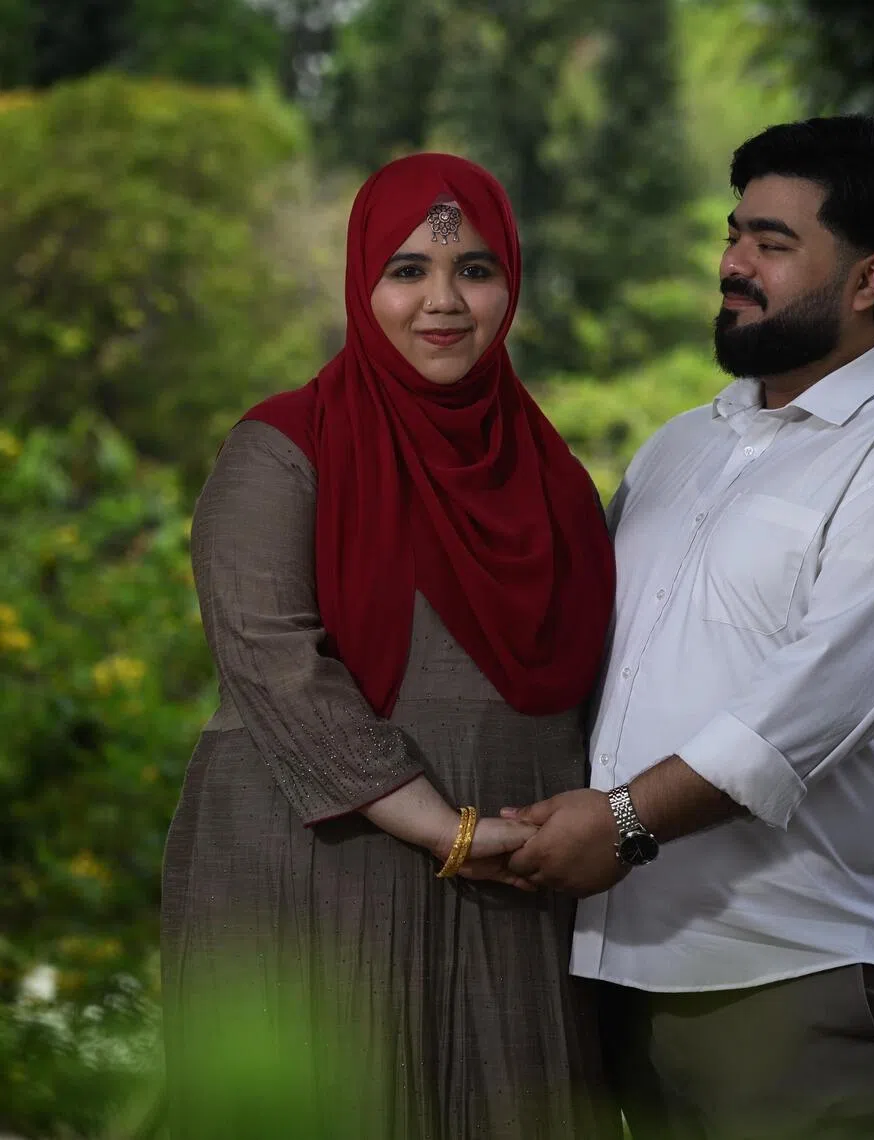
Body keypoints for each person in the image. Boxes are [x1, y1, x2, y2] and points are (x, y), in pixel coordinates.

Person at [503, 114, 874, 1139]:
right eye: (735, 234)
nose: (733, 264)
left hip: (812, 968)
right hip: (627, 961)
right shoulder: (683, 446)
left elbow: (803, 713)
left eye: (773, 244)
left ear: (872, 280)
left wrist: (620, 820)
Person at [160, 153, 621, 1140]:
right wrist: (444, 829)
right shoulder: (283, 448)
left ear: (511, 286)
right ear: (361, 284)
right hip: (319, 868)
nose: (442, 301)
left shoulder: (556, 484)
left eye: (475, 270)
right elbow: (271, 658)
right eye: (407, 270)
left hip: (516, 891)